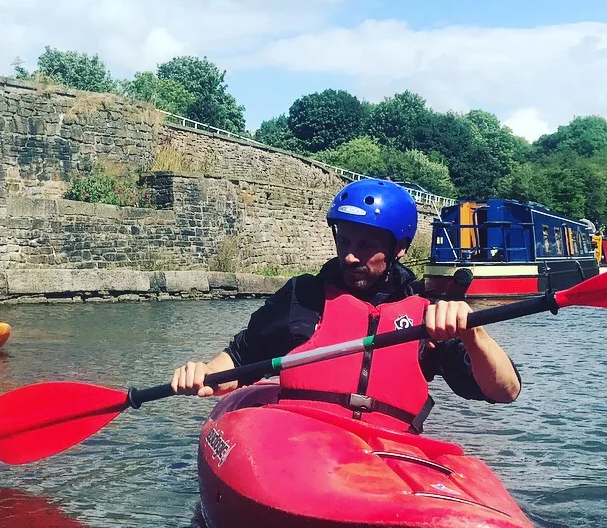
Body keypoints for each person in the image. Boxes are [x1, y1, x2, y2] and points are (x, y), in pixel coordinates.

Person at [172, 178, 520, 433]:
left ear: (399, 247)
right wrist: (203, 373)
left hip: (387, 454)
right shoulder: (302, 296)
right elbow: (238, 359)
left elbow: (505, 391)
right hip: (298, 444)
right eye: (345, 241)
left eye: (367, 245)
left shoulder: (427, 312)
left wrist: (475, 335)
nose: (351, 255)